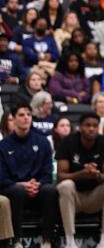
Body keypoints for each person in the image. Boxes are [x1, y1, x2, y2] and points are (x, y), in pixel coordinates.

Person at [56, 112, 104, 248]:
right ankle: (70, 241)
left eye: (95, 126)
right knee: (65, 185)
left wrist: (97, 175)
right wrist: (82, 173)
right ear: (80, 127)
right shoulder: (67, 142)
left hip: (95, 197)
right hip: (74, 198)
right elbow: (60, 176)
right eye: (88, 125)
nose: (91, 128)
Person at [0, 101, 58, 248]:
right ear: (12, 119)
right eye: (21, 115)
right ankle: (17, 241)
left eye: (28, 114)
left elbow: (47, 173)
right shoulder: (3, 145)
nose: (26, 118)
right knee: (17, 190)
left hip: (37, 189)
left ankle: (47, 241)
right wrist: (21, 185)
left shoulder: (43, 142)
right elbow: (1, 178)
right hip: (13, 189)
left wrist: (38, 184)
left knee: (50, 189)